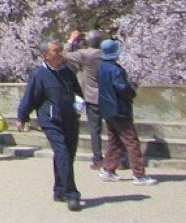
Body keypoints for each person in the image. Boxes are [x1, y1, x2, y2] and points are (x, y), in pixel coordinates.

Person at [16, 41, 84, 211]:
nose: (60, 52)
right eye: (56, 50)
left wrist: (78, 107)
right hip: (51, 120)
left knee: (68, 154)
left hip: (70, 118)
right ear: (46, 55)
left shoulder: (68, 72)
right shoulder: (39, 74)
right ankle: (72, 193)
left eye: (60, 49)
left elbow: (78, 93)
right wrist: (22, 117)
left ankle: (59, 190)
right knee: (62, 152)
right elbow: (30, 97)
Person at [97, 40, 156, 185]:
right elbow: (122, 89)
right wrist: (132, 89)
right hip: (119, 109)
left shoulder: (101, 68)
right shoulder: (116, 70)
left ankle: (108, 169)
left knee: (114, 140)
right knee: (131, 141)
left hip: (107, 109)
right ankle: (139, 174)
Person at [63, 29, 107, 169]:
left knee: (95, 129)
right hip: (108, 95)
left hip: (92, 96)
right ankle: (121, 158)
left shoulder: (86, 54)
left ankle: (98, 158)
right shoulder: (105, 54)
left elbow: (65, 54)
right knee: (114, 129)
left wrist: (71, 40)